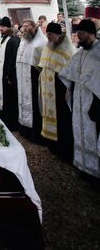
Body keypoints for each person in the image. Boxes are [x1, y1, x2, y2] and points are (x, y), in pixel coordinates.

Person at [59, 19, 100, 180]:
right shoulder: (81, 52)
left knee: (92, 134)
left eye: (81, 34)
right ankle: (82, 166)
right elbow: (68, 72)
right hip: (78, 100)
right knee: (79, 130)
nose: (78, 37)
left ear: (91, 33)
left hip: (93, 102)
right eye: (77, 34)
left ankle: (95, 172)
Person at [38, 22, 74, 160]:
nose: (48, 37)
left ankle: (63, 148)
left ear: (58, 34)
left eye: (51, 34)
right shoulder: (48, 46)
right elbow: (44, 63)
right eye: (47, 34)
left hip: (59, 89)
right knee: (48, 115)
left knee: (61, 117)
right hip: (48, 87)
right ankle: (51, 144)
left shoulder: (66, 50)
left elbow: (67, 71)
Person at [16, 19, 46, 140]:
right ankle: (24, 129)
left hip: (33, 78)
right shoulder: (24, 40)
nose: (24, 29)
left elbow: (41, 65)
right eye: (23, 27)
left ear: (34, 27)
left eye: (27, 26)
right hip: (23, 78)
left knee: (34, 104)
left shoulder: (40, 42)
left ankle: (35, 133)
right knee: (23, 101)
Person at [0, 16, 20, 130]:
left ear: (9, 27)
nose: (1, 29)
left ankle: (11, 123)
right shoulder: (2, 38)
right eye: (1, 27)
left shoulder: (13, 39)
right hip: (0, 74)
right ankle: (3, 120)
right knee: (2, 98)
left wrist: (9, 75)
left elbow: (12, 59)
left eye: (3, 27)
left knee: (9, 99)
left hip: (8, 75)